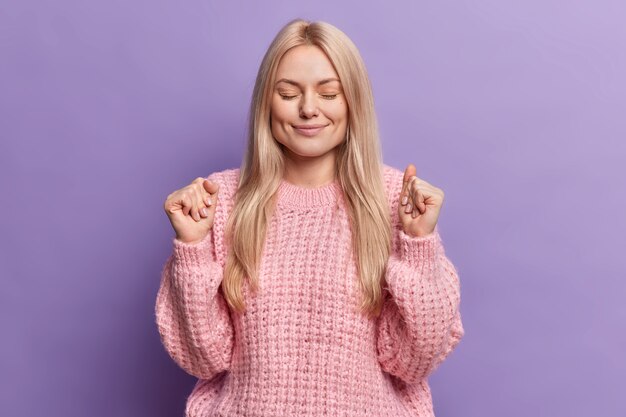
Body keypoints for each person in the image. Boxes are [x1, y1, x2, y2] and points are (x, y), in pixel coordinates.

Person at [155, 18, 464, 417]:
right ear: (267, 101)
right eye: (288, 92)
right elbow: (203, 359)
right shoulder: (221, 199)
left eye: (328, 92)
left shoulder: (394, 201)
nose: (308, 109)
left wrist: (419, 247)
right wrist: (193, 251)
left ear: (353, 101)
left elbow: (413, 362)